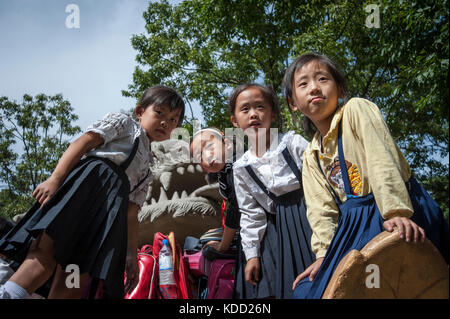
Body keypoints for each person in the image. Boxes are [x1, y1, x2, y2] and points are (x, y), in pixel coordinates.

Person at [283, 53, 449, 299]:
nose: (314, 87)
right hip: (352, 225)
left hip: (386, 206)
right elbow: (321, 212)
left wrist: (396, 213)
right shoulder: (311, 155)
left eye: (322, 79)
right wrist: (323, 256)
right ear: (293, 103)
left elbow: (382, 160)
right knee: (305, 292)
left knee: (385, 279)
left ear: (340, 89)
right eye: (303, 83)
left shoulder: (356, 110)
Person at [0, 85, 185, 299]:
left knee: (74, 275)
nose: (165, 122)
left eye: (173, 120)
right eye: (159, 112)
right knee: (44, 256)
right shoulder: (124, 125)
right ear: (140, 111)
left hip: (106, 217)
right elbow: (83, 143)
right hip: (84, 191)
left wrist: (131, 255)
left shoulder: (148, 169)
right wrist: (55, 179)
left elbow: (131, 213)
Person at [230, 83, 315, 299]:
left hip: (311, 215)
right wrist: (252, 256)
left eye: (260, 107)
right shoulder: (242, 167)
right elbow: (251, 213)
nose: (253, 115)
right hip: (278, 228)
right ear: (234, 121)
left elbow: (320, 177)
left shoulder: (292, 143)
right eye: (245, 109)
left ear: (273, 113)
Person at [191, 128, 240, 253]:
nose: (206, 156)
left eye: (209, 146)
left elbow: (236, 208)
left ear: (227, 144)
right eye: (199, 156)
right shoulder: (225, 173)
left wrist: (223, 245)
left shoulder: (236, 167)